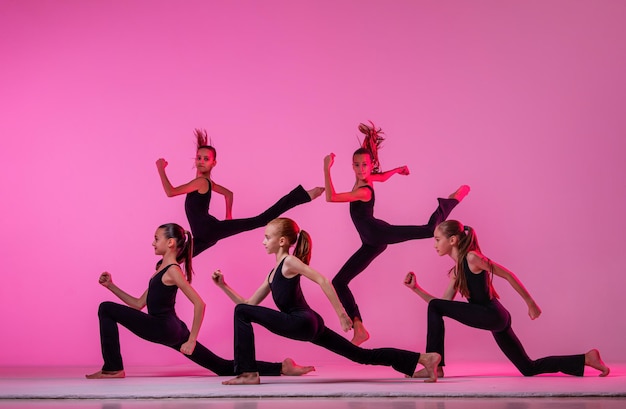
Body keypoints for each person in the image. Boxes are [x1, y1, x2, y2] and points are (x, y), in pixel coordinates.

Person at [212, 217, 442, 385]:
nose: (263, 241)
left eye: (267, 237)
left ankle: (249, 373)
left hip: (301, 322)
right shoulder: (272, 274)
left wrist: (342, 314)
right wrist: (223, 286)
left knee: (242, 312)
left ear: (282, 241)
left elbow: (322, 279)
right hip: (310, 324)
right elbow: (247, 304)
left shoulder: (289, 262)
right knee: (362, 356)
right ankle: (423, 359)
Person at [86, 223, 313, 379]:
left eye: (157, 239)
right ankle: (281, 367)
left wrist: (192, 340)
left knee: (105, 308)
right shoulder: (161, 270)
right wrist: (111, 286)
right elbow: (137, 304)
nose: (153, 243)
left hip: (164, 327)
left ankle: (113, 368)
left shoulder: (173, 270)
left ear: (172, 243)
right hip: (171, 329)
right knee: (222, 367)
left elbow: (199, 304)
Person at [404, 219, 610, 378]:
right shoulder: (457, 272)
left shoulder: (472, 257)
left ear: (453, 240)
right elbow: (441, 305)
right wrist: (416, 289)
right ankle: (586, 358)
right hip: (496, 318)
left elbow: (508, 274)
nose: (434, 245)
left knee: (436, 308)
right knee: (528, 368)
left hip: (491, 314)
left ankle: (435, 365)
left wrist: (530, 303)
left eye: (437, 240)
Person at [323, 121, 469, 345]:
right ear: (353, 167)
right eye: (357, 165)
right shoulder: (366, 178)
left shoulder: (362, 190)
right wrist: (398, 170)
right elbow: (381, 176)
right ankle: (359, 328)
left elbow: (331, 197)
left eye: (365, 165)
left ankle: (452, 200)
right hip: (370, 242)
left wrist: (326, 167)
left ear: (370, 166)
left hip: (377, 233)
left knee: (429, 230)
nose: (361, 169)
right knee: (340, 281)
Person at [156, 129, 324, 257]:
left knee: (261, 220)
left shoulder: (200, 182)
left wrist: (160, 169)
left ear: (214, 163)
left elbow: (171, 192)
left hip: (209, 231)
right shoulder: (206, 182)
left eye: (206, 159)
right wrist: (228, 217)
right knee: (174, 260)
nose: (201, 162)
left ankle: (303, 195)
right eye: (199, 158)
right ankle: (149, 293)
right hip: (205, 235)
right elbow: (229, 194)